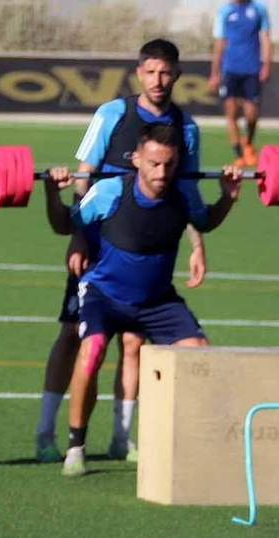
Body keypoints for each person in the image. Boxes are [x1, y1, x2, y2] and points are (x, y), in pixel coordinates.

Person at [34, 38, 208, 466]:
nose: (158, 80)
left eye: (165, 72)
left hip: (145, 236)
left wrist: (197, 243)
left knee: (133, 341)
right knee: (74, 336)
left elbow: (183, 193)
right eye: (150, 72)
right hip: (97, 238)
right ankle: (46, 432)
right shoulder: (113, 114)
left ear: (177, 75)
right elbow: (85, 174)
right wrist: (78, 236)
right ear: (138, 74)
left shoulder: (186, 128)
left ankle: (121, 438)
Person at [46, 124, 242, 477]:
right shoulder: (109, 191)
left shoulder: (183, 194)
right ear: (136, 159)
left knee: (200, 354)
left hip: (156, 301)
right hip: (104, 294)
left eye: (169, 164)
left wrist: (228, 197)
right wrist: (51, 193)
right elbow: (65, 225)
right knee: (92, 350)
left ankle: (192, 442)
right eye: (154, 164)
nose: (161, 173)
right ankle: (76, 446)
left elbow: (205, 221)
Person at [207, 0, 272, 167]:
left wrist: (266, 65)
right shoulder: (225, 11)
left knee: (252, 114)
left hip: (252, 69)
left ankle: (248, 143)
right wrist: (214, 73)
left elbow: (265, 38)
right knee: (231, 112)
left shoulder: (258, 9)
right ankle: (238, 154)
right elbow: (219, 42)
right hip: (230, 70)